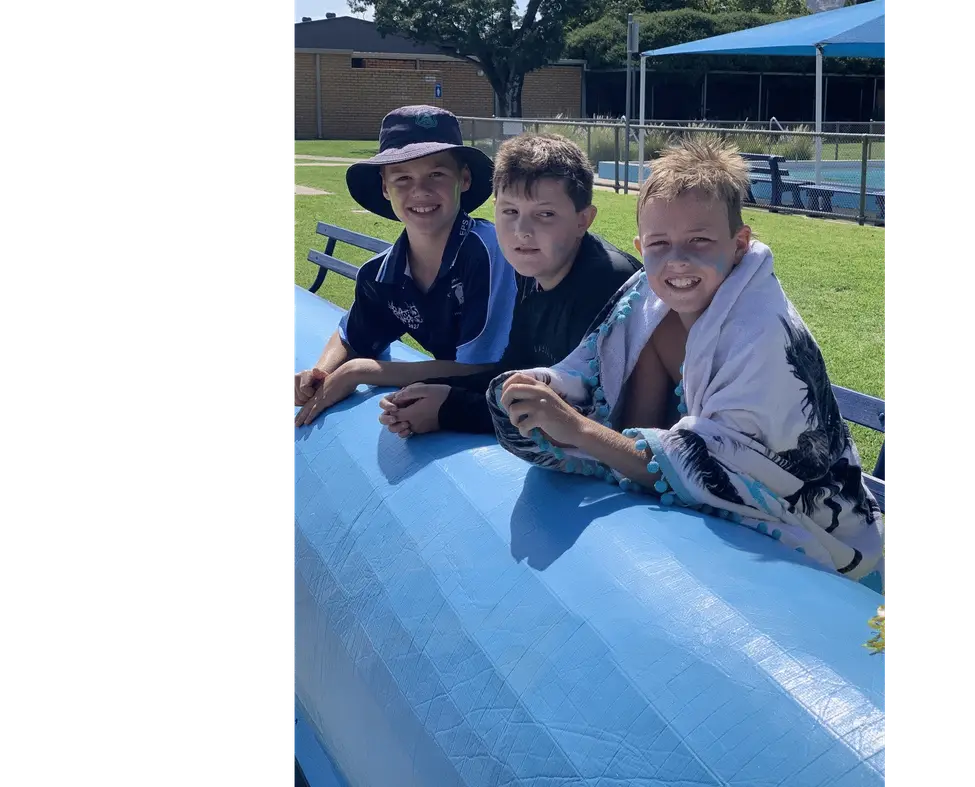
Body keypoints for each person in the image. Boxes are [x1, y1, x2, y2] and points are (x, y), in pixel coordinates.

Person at [486, 137, 886, 585]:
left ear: (739, 243)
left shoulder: (763, 334)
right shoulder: (646, 303)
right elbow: (593, 378)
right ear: (641, 246)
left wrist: (578, 429)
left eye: (699, 240)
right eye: (659, 243)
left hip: (827, 548)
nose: (677, 261)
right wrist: (543, 389)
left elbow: (714, 467)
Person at [377, 134, 640, 437]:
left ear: (584, 220)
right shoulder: (531, 270)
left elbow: (578, 410)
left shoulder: (607, 284)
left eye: (545, 214)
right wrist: (427, 391)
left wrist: (447, 409)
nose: (522, 232)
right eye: (510, 212)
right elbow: (516, 368)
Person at [292, 105, 517, 427]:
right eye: (402, 178)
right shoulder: (381, 274)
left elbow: (484, 367)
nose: (420, 191)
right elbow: (352, 335)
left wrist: (361, 372)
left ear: (464, 179)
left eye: (436, 175)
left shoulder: (492, 252)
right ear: (385, 188)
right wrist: (321, 373)